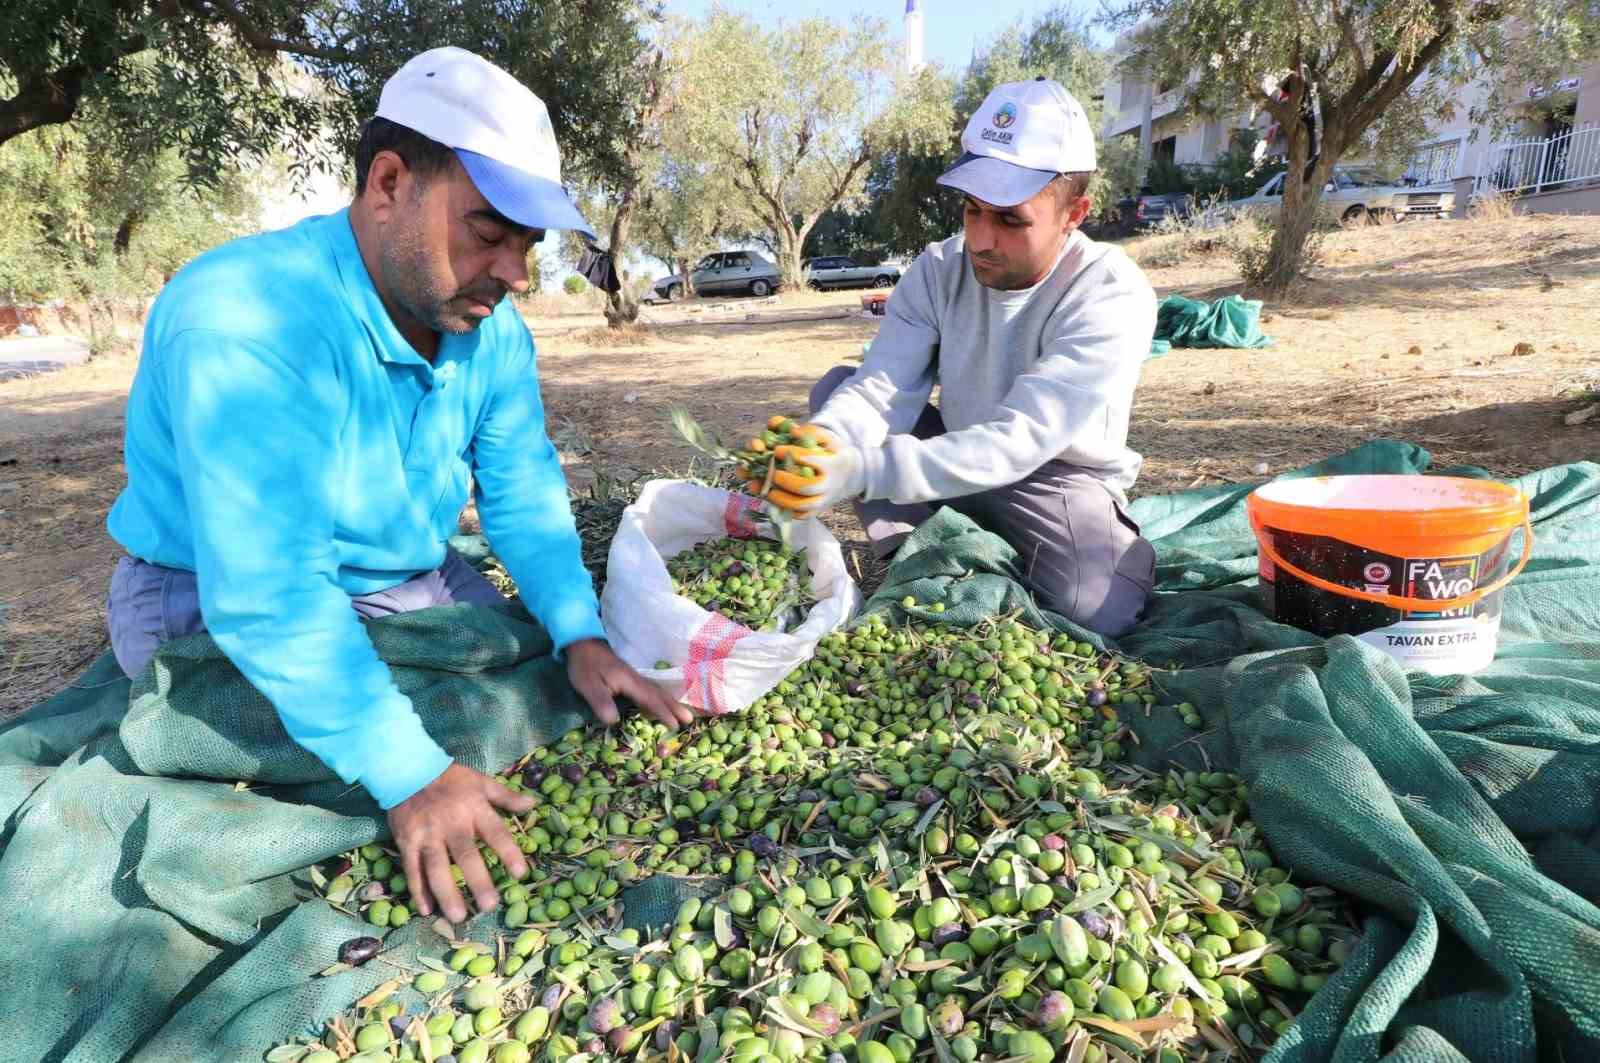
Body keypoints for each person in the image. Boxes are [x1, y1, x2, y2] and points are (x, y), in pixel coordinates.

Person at [103, 47, 691, 924]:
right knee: (411, 743)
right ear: (388, 183)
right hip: (205, 591)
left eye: (529, 245)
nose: (517, 274)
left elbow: (522, 491)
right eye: (488, 233)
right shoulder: (246, 318)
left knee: (529, 678)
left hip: (403, 575)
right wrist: (412, 773)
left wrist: (580, 632)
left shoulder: (488, 330)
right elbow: (269, 593)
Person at [758, 78, 1158, 636]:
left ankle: (1117, 554)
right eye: (972, 210)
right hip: (956, 453)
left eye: (1010, 219)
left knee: (1095, 608)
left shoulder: (1109, 293)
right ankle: (917, 559)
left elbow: (1021, 440)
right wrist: (821, 449)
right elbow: (881, 388)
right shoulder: (938, 269)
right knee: (837, 393)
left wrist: (865, 471)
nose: (980, 239)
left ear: (1074, 213)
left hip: (1052, 479)